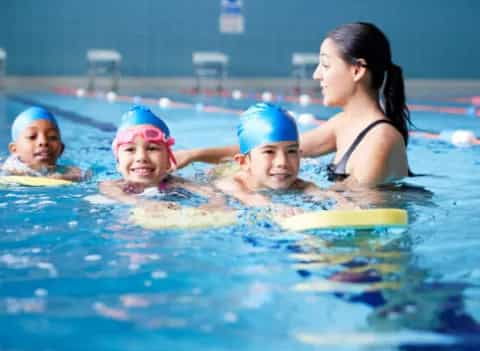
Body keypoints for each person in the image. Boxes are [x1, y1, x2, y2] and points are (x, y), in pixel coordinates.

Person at [174, 22, 411, 188]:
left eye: (325, 65)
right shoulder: (343, 124)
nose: (317, 75)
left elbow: (348, 203)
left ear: (357, 70)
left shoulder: (380, 140)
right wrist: (194, 156)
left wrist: (248, 193)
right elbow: (267, 147)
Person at [213, 102, 353, 210]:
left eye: (291, 151)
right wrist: (273, 207)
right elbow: (248, 197)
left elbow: (319, 192)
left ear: (300, 156)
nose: (282, 162)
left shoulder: (298, 185)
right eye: (269, 151)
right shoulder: (230, 184)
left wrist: (343, 202)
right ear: (244, 162)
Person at [99, 105, 225, 210]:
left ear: (168, 161)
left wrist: (215, 204)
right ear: (118, 164)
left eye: (152, 148)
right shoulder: (114, 186)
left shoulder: (176, 183)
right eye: (130, 149)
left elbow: (213, 193)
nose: (141, 157)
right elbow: (115, 193)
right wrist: (143, 204)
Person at [1, 106, 83, 181]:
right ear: (14, 149)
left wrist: (65, 178)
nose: (43, 142)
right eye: (32, 136)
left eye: (52, 137)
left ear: (61, 149)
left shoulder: (68, 172)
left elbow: (82, 175)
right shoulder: (7, 169)